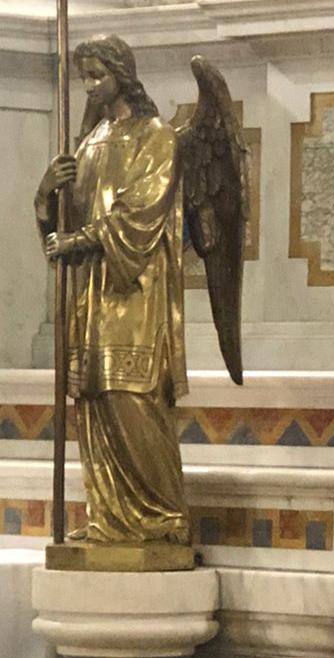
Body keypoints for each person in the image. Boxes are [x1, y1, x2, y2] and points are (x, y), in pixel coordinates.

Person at [35, 34, 190, 548]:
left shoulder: (156, 136)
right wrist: (46, 195)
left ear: (123, 74)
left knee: (131, 398)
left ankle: (162, 517)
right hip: (92, 293)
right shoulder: (90, 140)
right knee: (95, 399)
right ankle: (110, 517)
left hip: (135, 291)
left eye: (98, 75)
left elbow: (142, 213)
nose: (90, 85)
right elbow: (66, 221)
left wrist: (78, 240)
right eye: (84, 76)